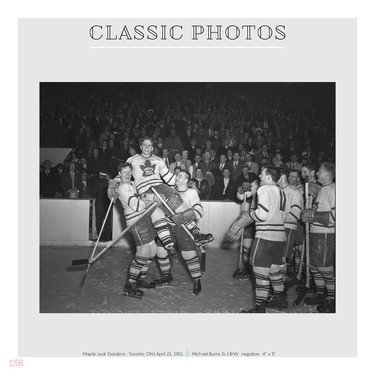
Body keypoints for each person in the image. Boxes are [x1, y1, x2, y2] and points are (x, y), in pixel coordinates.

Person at [123, 136, 213, 247]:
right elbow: (122, 174)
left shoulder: (158, 160)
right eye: (144, 145)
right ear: (141, 146)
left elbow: (168, 178)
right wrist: (114, 185)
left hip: (159, 186)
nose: (147, 147)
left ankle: (196, 233)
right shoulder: (132, 160)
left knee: (176, 201)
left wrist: (186, 182)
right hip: (145, 192)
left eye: (149, 145)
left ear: (152, 148)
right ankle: (161, 242)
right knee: (158, 214)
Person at [226, 166, 287, 313]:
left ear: (268, 177)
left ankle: (260, 308)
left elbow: (262, 215)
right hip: (280, 236)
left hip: (265, 236)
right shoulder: (281, 191)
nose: (259, 175)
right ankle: (281, 298)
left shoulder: (264, 189)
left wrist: (249, 215)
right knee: (274, 269)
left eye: (262, 173)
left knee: (260, 273)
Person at [154, 170, 205, 295]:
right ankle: (166, 277)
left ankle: (197, 281)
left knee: (188, 254)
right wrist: (156, 200)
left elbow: (199, 212)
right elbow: (158, 204)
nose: (177, 177)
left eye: (181, 176)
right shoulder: (168, 189)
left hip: (184, 226)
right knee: (160, 251)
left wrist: (183, 216)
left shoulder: (191, 192)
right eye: (177, 175)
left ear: (187, 180)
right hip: (167, 225)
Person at [114, 163, 160, 299]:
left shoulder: (132, 184)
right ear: (120, 173)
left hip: (144, 219)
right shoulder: (123, 187)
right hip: (136, 222)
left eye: (129, 171)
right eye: (124, 172)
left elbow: (144, 196)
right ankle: (130, 285)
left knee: (152, 250)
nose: (127, 174)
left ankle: (139, 279)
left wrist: (150, 198)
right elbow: (137, 205)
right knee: (144, 251)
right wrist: (151, 201)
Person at [301, 162, 336, 313]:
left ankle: (333, 299)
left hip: (325, 234)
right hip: (316, 233)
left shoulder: (333, 190)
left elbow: (335, 217)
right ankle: (321, 294)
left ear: (328, 174)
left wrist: (313, 215)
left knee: (324, 267)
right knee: (314, 266)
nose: (317, 174)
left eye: (319, 172)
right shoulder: (323, 189)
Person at [277, 168, 303, 285]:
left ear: (282, 176)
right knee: (278, 255)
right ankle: (279, 282)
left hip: (288, 227)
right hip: (279, 226)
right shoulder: (279, 190)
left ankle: (281, 287)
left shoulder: (294, 191)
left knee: (282, 256)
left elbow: (296, 212)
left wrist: (281, 218)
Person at [232, 180, 259, 279]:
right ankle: (247, 268)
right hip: (252, 216)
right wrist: (242, 190)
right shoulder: (256, 183)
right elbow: (241, 197)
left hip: (268, 220)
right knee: (246, 244)